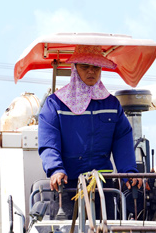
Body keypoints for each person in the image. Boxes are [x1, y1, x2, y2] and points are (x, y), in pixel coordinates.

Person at [37, 45, 141, 193]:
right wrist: (56, 169)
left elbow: (122, 139)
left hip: (104, 186)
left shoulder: (112, 104)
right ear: (75, 68)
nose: (91, 71)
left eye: (96, 67)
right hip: (67, 185)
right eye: (85, 66)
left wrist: (129, 172)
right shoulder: (55, 104)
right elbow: (48, 144)